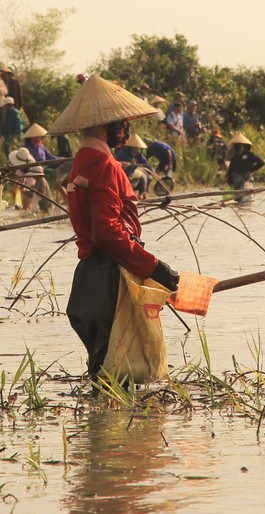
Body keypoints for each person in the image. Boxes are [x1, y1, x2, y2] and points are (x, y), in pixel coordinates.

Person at [47, 75, 180, 381]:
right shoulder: (105, 165)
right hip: (110, 275)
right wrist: (155, 267)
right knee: (119, 373)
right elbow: (107, 232)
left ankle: (99, 414)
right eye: (121, 122)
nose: (126, 128)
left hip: (90, 276)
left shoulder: (82, 161)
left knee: (103, 370)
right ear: (105, 125)